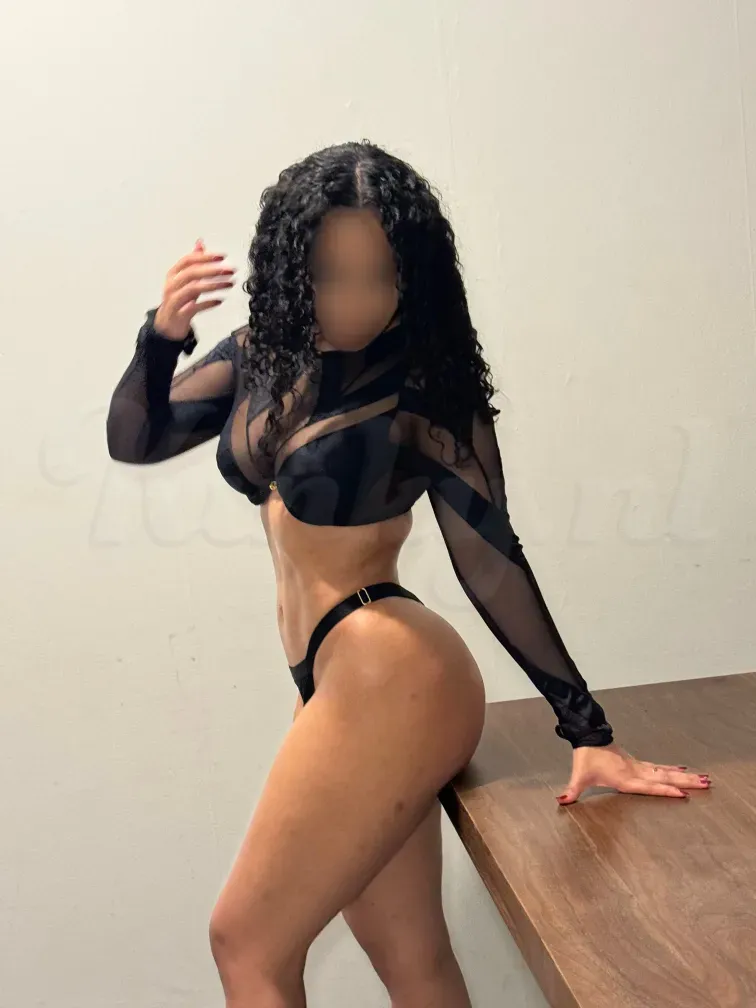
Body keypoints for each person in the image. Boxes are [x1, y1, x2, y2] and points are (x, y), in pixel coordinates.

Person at [106, 141, 710, 1008]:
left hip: (391, 671)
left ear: (414, 276)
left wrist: (588, 729)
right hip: (336, 678)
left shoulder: (423, 385)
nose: (356, 301)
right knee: (411, 958)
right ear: (290, 268)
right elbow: (137, 437)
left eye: (381, 277)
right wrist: (161, 337)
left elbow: (488, 556)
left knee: (245, 944)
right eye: (330, 275)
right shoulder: (259, 356)